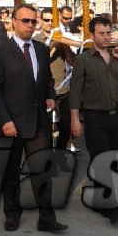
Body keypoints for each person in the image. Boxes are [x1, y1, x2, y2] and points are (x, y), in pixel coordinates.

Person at [0, 4, 67, 233]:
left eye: (34, 21)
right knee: (10, 173)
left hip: (38, 122)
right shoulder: (0, 53)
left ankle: (47, 218)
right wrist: (4, 120)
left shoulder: (41, 50)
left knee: (42, 171)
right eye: (26, 21)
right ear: (14, 22)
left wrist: (50, 96)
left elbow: (47, 80)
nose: (30, 25)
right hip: (11, 124)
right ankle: (12, 214)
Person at [70, 16, 118, 224]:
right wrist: (75, 120)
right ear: (92, 35)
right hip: (94, 116)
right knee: (102, 159)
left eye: (109, 33)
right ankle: (112, 207)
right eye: (102, 34)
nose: (106, 37)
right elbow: (75, 92)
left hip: (117, 116)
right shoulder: (84, 60)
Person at [33, 9, 78, 153]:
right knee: (44, 128)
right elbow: (40, 63)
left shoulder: (62, 38)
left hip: (62, 88)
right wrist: (54, 48)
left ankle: (60, 153)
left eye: (52, 20)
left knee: (66, 125)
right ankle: (47, 155)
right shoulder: (35, 40)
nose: (49, 23)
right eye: (46, 20)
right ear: (40, 21)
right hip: (44, 90)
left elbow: (72, 62)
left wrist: (64, 46)